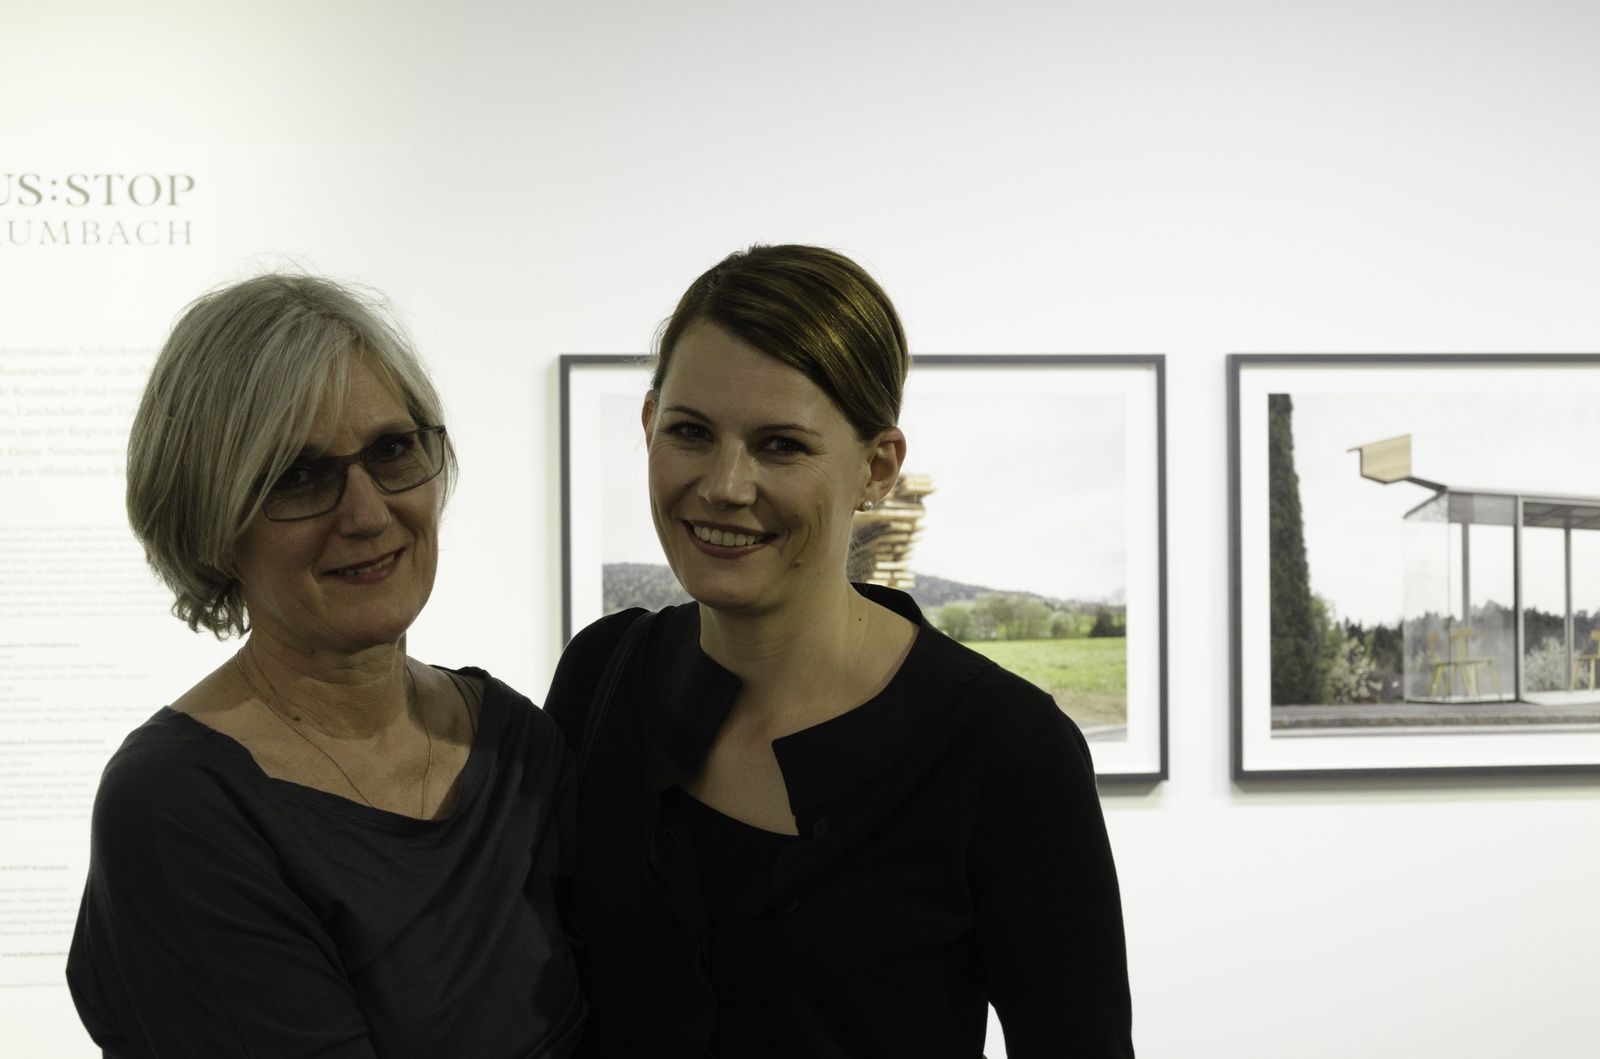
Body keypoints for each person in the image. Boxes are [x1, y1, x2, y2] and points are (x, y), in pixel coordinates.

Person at [544, 245, 1133, 1058]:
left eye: (781, 445)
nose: (725, 484)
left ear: (877, 469)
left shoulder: (1007, 749)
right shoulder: (602, 677)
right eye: (690, 432)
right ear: (649, 426)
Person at [67, 274, 582, 1058]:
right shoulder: (178, 804)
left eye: (391, 450)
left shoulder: (513, 741)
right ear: (214, 521)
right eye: (297, 476)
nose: (368, 513)